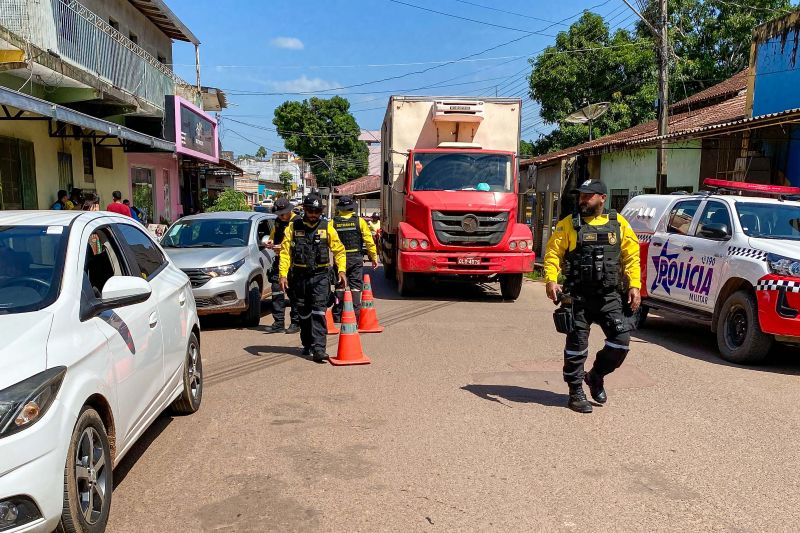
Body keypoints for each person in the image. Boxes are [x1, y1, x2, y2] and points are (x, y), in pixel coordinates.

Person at [543, 180, 641, 414]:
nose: (582, 200)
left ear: (602, 198)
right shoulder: (569, 225)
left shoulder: (618, 224)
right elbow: (553, 252)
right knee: (576, 347)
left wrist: (634, 285)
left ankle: (596, 376)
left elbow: (631, 256)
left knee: (621, 342)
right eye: (581, 196)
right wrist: (550, 278)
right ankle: (575, 392)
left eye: (588, 196)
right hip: (578, 296)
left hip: (610, 296)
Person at [278, 192, 347, 362]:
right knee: (303, 313)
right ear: (305, 210)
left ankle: (319, 349)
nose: (314, 215)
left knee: (318, 311)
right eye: (311, 211)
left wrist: (342, 270)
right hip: (299, 278)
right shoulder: (293, 228)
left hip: (321, 277)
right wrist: (282, 275)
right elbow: (285, 253)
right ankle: (307, 343)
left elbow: (339, 250)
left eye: (317, 212)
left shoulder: (327, 227)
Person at [331, 196, 379, 324]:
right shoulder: (360, 222)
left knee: (340, 286)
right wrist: (373, 257)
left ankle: (337, 315)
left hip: (339, 260)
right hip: (356, 258)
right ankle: (356, 315)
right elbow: (369, 241)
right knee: (356, 287)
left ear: (339, 208)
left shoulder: (333, 222)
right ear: (352, 207)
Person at [263, 197, 301, 334]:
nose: (281, 216)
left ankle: (296, 322)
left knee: (294, 293)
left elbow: (302, 244)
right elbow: (274, 235)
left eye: (283, 213)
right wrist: (270, 242)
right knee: (276, 290)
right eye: (279, 214)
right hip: (280, 261)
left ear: (290, 210)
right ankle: (278, 322)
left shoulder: (298, 222)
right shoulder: (278, 221)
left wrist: (285, 247)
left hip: (295, 262)